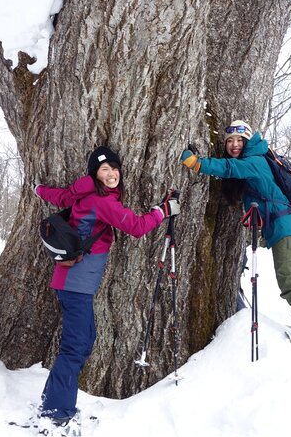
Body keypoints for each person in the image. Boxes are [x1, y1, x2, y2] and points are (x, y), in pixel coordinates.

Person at [33, 146, 180, 436]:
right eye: (104, 169)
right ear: (94, 175)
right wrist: (162, 211)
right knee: (75, 348)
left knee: (85, 340)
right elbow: (136, 227)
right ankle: (55, 413)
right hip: (76, 285)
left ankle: (51, 399)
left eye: (114, 168)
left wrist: (38, 189)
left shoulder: (82, 195)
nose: (111, 173)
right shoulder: (101, 202)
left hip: (72, 284)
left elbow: (58, 196)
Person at [180, 120, 291, 352]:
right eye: (229, 141)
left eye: (239, 140)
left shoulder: (253, 161)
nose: (233, 145)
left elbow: (229, 168)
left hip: (284, 227)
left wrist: (197, 164)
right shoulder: (257, 157)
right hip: (285, 227)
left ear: (247, 141)